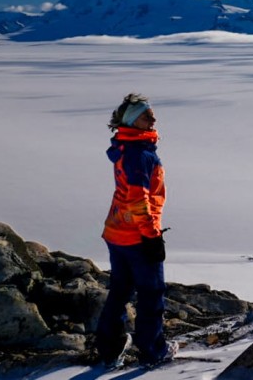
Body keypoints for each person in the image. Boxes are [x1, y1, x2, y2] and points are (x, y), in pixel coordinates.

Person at [93, 93, 176, 369]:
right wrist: (152, 236)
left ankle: (109, 349)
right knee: (151, 293)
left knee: (120, 290)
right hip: (136, 236)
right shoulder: (139, 154)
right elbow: (140, 200)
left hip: (116, 231)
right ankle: (153, 351)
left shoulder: (127, 147)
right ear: (132, 121)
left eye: (152, 113)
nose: (153, 118)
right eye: (146, 115)